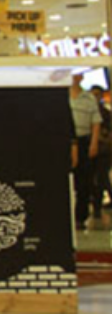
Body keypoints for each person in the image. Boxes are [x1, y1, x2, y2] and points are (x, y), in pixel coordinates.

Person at [70, 73, 102, 230]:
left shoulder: (89, 98)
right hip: (65, 141)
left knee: (84, 181)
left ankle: (80, 217)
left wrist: (94, 143)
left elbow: (96, 122)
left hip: (83, 140)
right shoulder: (62, 96)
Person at [93, 85, 112, 215]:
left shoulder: (106, 113)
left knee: (101, 177)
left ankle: (97, 207)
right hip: (93, 149)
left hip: (104, 150)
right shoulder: (90, 111)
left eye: (97, 94)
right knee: (99, 178)